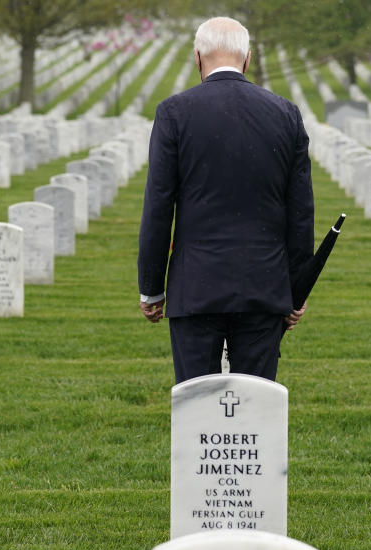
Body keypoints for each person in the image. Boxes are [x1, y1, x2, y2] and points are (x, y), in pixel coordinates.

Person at [137, 16, 314, 384]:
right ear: (247, 59)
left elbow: (158, 206)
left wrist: (152, 288)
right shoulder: (286, 114)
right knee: (255, 410)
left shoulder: (173, 113)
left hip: (195, 284)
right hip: (264, 286)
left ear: (197, 57)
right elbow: (300, 213)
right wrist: (294, 294)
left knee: (194, 409)